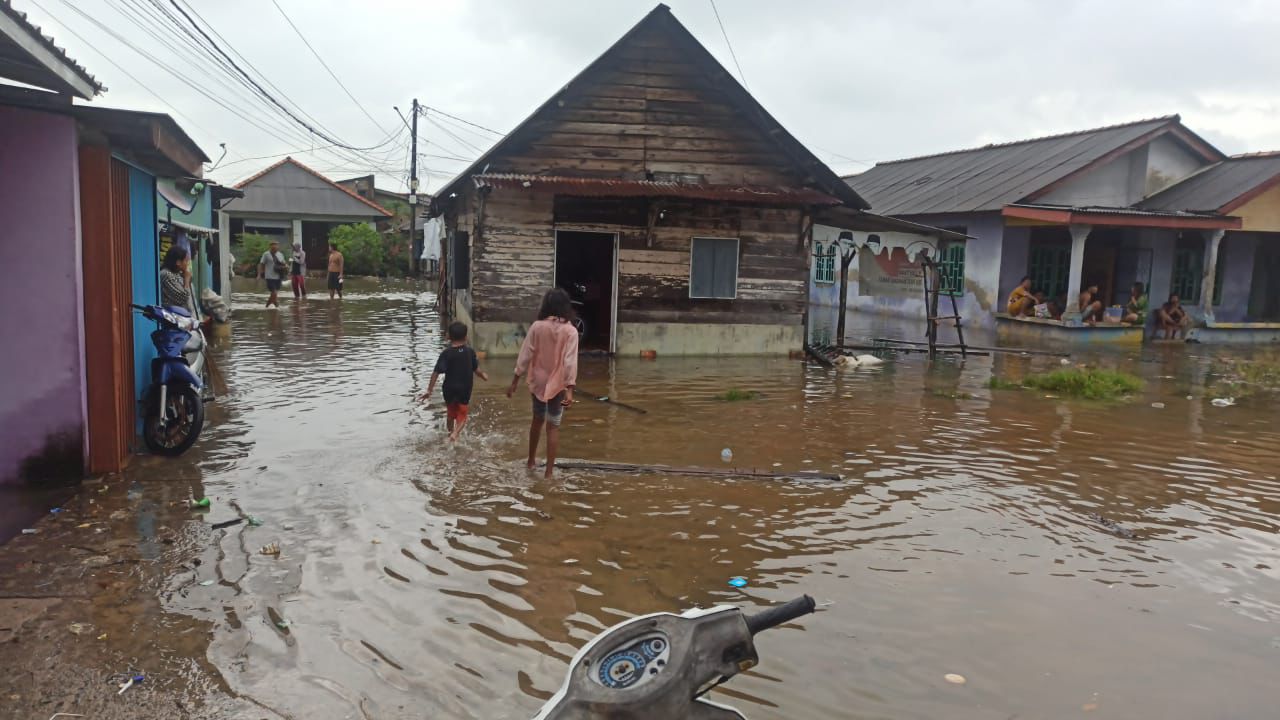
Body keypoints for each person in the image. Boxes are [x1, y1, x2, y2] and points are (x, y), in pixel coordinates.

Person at [507, 288, 579, 479]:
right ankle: (548, 473)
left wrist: (515, 380)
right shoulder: (571, 331)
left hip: (538, 380)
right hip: (558, 383)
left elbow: (525, 355)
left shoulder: (537, 327)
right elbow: (570, 362)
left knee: (537, 419)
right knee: (553, 426)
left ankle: (531, 461)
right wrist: (570, 389)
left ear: (546, 306)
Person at [420, 322, 489, 441]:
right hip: (464, 388)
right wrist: (483, 375)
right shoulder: (470, 352)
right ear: (466, 337)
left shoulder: (446, 354)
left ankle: (450, 434)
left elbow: (436, 372)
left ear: (448, 336)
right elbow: (476, 370)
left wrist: (429, 390)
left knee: (451, 413)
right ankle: (455, 433)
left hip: (449, 389)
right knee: (462, 414)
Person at [160, 244, 192, 311]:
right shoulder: (167, 275)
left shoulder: (177, 274)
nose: (187, 264)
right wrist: (186, 279)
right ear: (178, 262)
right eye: (186, 261)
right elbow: (183, 298)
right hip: (171, 314)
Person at [258, 239, 287, 308]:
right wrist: (259, 274)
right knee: (274, 292)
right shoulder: (266, 254)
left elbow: (284, 263)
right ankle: (274, 306)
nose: (275, 247)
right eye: (273, 246)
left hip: (278, 276)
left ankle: (269, 306)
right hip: (269, 276)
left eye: (276, 246)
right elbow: (261, 264)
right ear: (270, 247)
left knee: (274, 294)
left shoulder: (280, 254)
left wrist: (286, 266)